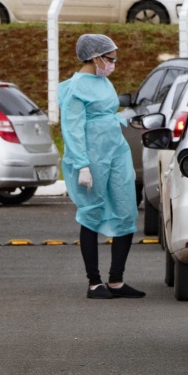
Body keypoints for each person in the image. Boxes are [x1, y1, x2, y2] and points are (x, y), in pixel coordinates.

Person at [58, 34, 145, 300]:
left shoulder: (103, 81)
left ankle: (116, 280)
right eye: (110, 59)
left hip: (115, 151)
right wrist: (81, 165)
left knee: (126, 211)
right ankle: (94, 282)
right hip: (92, 156)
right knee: (91, 213)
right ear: (95, 57)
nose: (113, 64)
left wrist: (122, 118)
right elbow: (72, 129)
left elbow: (105, 113)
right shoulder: (75, 88)